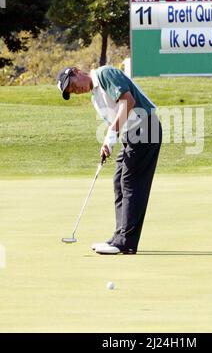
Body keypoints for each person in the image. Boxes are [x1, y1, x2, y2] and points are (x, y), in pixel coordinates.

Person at [56, 65, 162, 255]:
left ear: (77, 72)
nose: (75, 90)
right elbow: (117, 121)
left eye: (72, 85)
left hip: (147, 127)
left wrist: (111, 134)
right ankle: (119, 236)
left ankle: (126, 242)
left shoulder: (104, 74)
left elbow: (127, 101)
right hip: (132, 134)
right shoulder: (95, 98)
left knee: (130, 182)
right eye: (71, 91)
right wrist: (108, 143)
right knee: (119, 181)